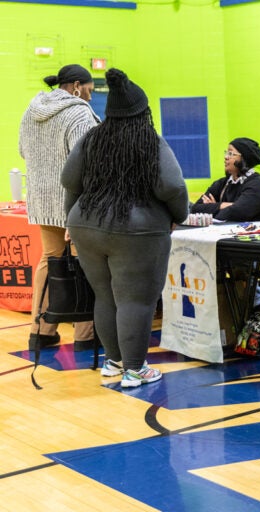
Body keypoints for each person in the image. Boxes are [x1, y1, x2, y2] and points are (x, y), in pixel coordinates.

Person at [61, 68, 189, 388]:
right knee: (136, 300)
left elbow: (69, 181)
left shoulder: (92, 138)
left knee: (105, 295)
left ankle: (113, 362)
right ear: (143, 111)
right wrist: (180, 215)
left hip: (85, 224)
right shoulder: (150, 140)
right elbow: (171, 186)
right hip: (137, 230)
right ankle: (135, 369)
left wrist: (70, 221)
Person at [19, 64, 100, 352]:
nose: (90, 98)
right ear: (77, 86)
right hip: (73, 200)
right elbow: (89, 161)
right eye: (89, 91)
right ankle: (85, 334)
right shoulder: (78, 112)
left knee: (49, 260)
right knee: (82, 262)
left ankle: (40, 331)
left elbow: (22, 150)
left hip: (41, 198)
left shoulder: (32, 109)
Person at [190, 138, 260, 222]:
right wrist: (223, 205)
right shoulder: (222, 183)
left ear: (244, 158)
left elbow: (235, 213)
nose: (226, 157)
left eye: (231, 153)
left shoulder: (257, 185)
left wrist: (212, 207)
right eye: (226, 153)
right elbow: (195, 209)